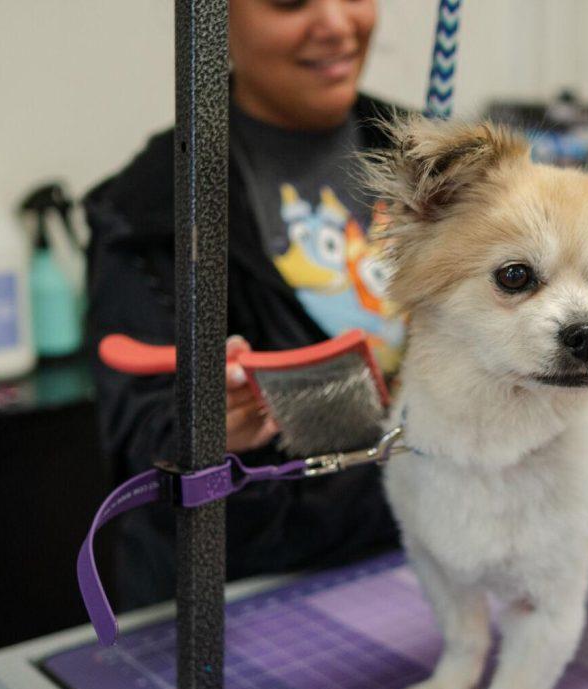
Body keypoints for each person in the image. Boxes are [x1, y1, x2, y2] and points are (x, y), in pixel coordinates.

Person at [84, 0, 403, 610]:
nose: (336, 24)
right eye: (290, 1)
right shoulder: (151, 206)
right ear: (214, 17)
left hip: (424, 556)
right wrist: (206, 437)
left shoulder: (428, 155)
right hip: (247, 595)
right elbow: (139, 435)